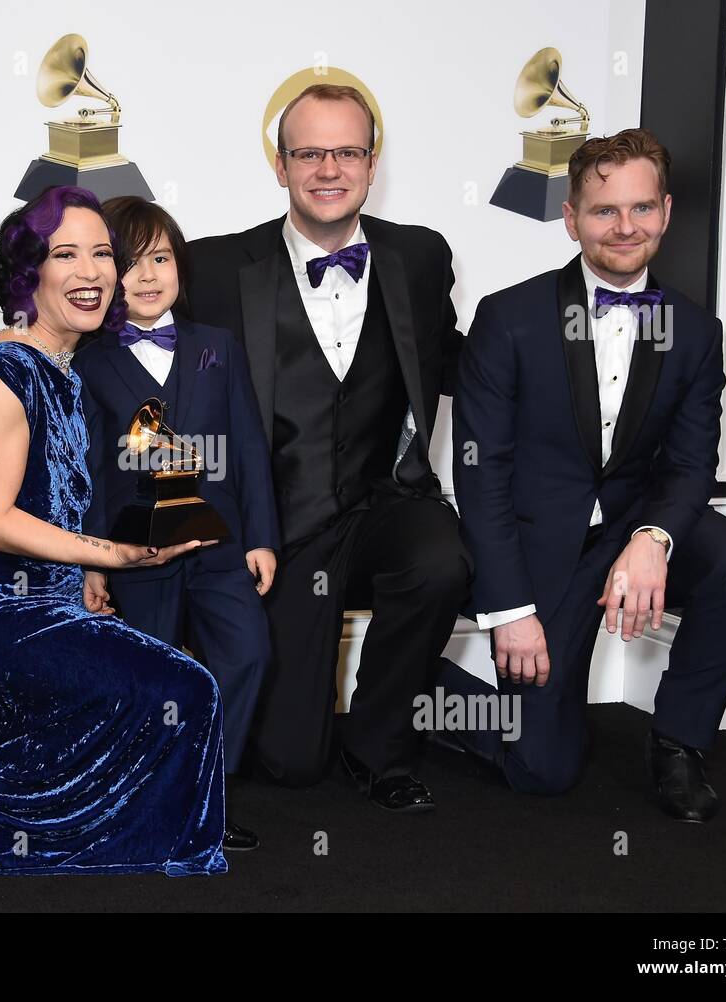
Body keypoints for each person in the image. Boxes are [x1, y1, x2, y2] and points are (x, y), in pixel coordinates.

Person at [0, 186, 228, 875]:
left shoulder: (56, 366)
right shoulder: (9, 370)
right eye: (65, 254)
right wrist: (117, 555)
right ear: (27, 273)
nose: (93, 271)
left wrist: (89, 572)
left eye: (103, 254)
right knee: (187, 691)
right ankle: (122, 842)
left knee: (165, 686)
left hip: (49, 607)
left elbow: (63, 496)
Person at [441, 128, 726, 822]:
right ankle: (415, 686)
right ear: (571, 218)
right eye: (604, 211)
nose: (626, 228)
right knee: (542, 772)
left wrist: (654, 536)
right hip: (540, 549)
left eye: (642, 209)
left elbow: (688, 464)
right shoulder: (508, 319)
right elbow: (483, 474)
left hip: (630, 528)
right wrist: (510, 611)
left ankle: (679, 742)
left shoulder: (694, 329)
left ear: (667, 212)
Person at [187, 84, 469, 810]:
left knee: (440, 558)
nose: (328, 169)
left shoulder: (422, 255)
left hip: (381, 502)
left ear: (372, 164)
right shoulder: (213, 269)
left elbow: (461, 360)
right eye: (308, 153)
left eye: (346, 151)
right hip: (279, 524)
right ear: (279, 166)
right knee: (290, 762)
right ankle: (408, 711)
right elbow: (122, 343)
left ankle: (383, 746)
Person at [73, 196, 279, 851]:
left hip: (221, 542)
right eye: (129, 262)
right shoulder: (87, 359)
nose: (148, 275)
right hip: (137, 551)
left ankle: (202, 794)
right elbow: (83, 471)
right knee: (147, 677)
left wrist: (264, 537)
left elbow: (248, 444)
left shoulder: (217, 346)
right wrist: (91, 560)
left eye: (160, 257)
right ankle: (140, 803)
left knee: (248, 651)